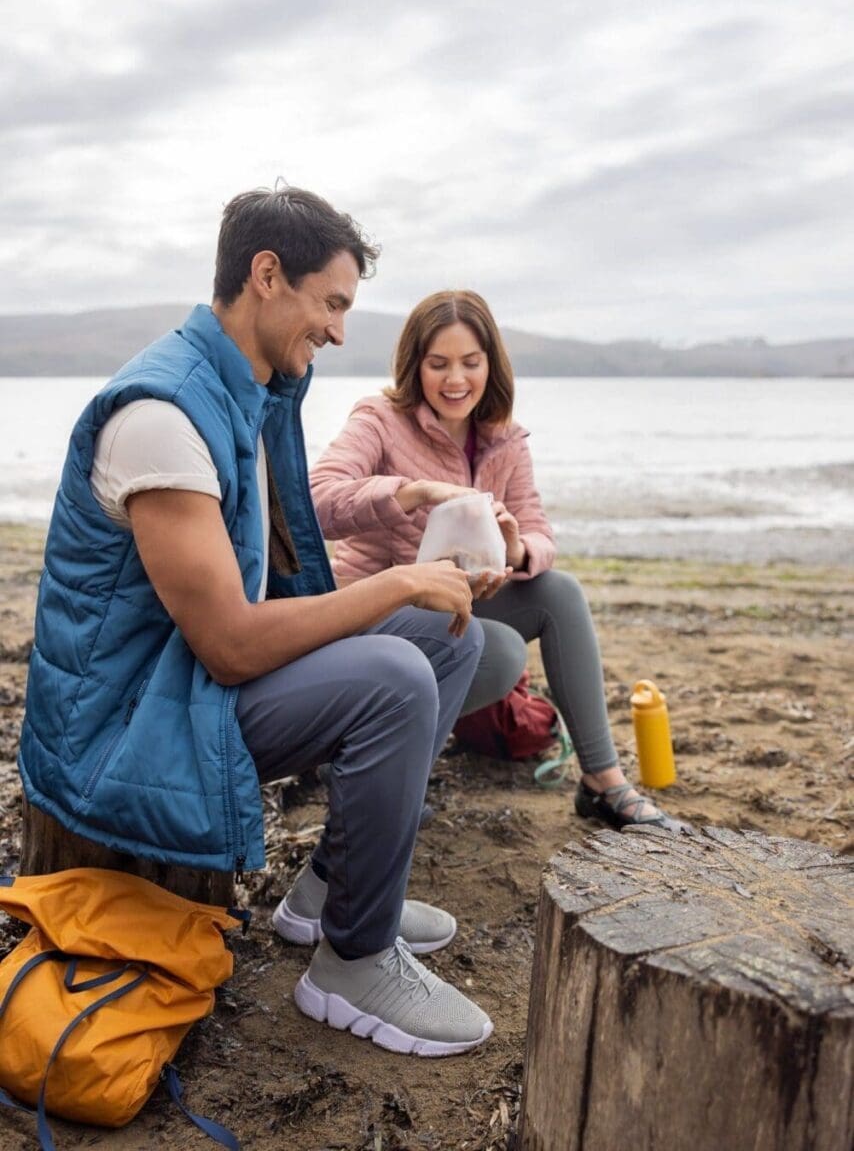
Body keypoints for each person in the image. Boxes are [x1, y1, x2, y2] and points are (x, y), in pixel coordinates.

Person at [18, 192, 494, 1057]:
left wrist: (414, 552)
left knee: (453, 638)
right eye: (333, 304)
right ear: (266, 276)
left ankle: (331, 895)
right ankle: (352, 965)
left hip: (182, 686)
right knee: (393, 677)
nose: (341, 333)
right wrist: (393, 585)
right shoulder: (161, 417)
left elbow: (274, 552)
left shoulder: (252, 391)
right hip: (128, 726)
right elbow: (231, 644)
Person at [310, 289, 682, 831]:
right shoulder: (380, 419)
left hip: (457, 605)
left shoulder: (505, 438)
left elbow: (537, 528)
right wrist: (414, 492)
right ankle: (370, 762)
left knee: (560, 593)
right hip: (378, 611)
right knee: (500, 650)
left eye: (470, 362)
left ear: (491, 364)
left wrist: (516, 549)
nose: (454, 379)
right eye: (438, 364)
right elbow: (317, 499)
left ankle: (603, 782)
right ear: (415, 365)